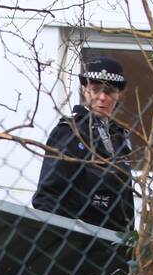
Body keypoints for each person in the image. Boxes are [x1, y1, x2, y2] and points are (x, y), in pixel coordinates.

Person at [32, 56, 136, 233]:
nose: (102, 97)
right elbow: (47, 197)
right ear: (85, 90)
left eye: (109, 91)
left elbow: (124, 199)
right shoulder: (71, 131)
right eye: (95, 89)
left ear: (118, 94)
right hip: (77, 239)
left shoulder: (119, 136)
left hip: (112, 241)